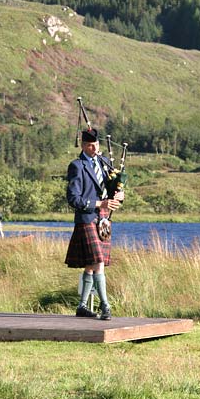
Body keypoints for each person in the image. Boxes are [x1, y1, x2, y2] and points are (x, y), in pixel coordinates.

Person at [65, 128, 124, 320]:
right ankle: (105, 306)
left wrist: (119, 196)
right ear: (82, 145)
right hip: (88, 218)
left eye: (96, 144)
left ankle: (82, 306)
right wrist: (99, 203)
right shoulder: (77, 166)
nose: (94, 148)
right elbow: (73, 199)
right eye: (90, 145)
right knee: (98, 262)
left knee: (92, 264)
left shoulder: (105, 162)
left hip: (104, 219)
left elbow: (113, 189)